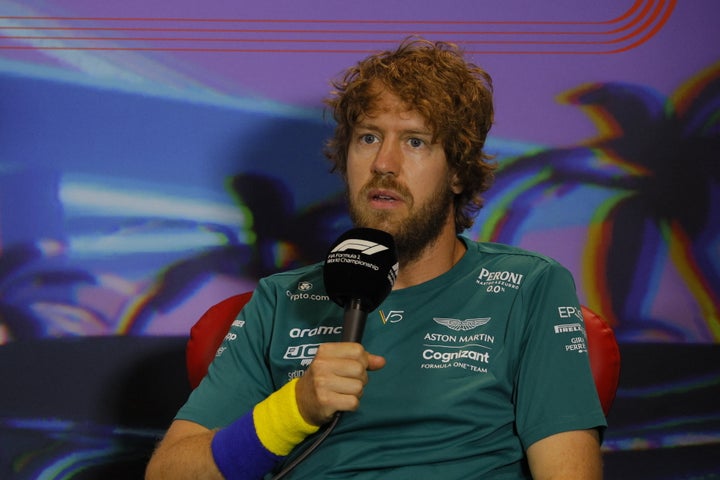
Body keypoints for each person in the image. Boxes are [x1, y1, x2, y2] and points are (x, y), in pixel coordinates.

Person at [146, 37, 606, 479]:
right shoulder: (280, 298)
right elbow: (169, 473)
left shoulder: (529, 286)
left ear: (459, 173)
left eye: (415, 141)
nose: (384, 163)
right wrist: (295, 408)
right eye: (368, 138)